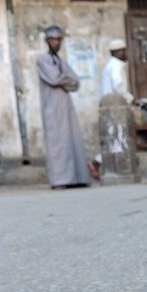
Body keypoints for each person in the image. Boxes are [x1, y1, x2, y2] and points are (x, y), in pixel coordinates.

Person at [36, 25, 91, 189]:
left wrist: (64, 79)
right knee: (57, 144)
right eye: (52, 40)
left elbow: (76, 83)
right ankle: (60, 180)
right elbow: (54, 79)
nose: (55, 43)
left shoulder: (61, 61)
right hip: (52, 108)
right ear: (47, 41)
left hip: (66, 106)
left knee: (72, 141)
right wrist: (65, 80)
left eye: (58, 40)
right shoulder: (43, 60)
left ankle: (76, 179)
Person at [90, 38, 135, 179]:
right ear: (118, 52)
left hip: (108, 106)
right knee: (117, 137)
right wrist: (129, 97)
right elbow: (118, 85)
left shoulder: (109, 65)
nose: (126, 54)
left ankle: (98, 161)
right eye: (124, 51)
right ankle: (99, 162)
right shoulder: (116, 65)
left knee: (113, 137)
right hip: (115, 106)